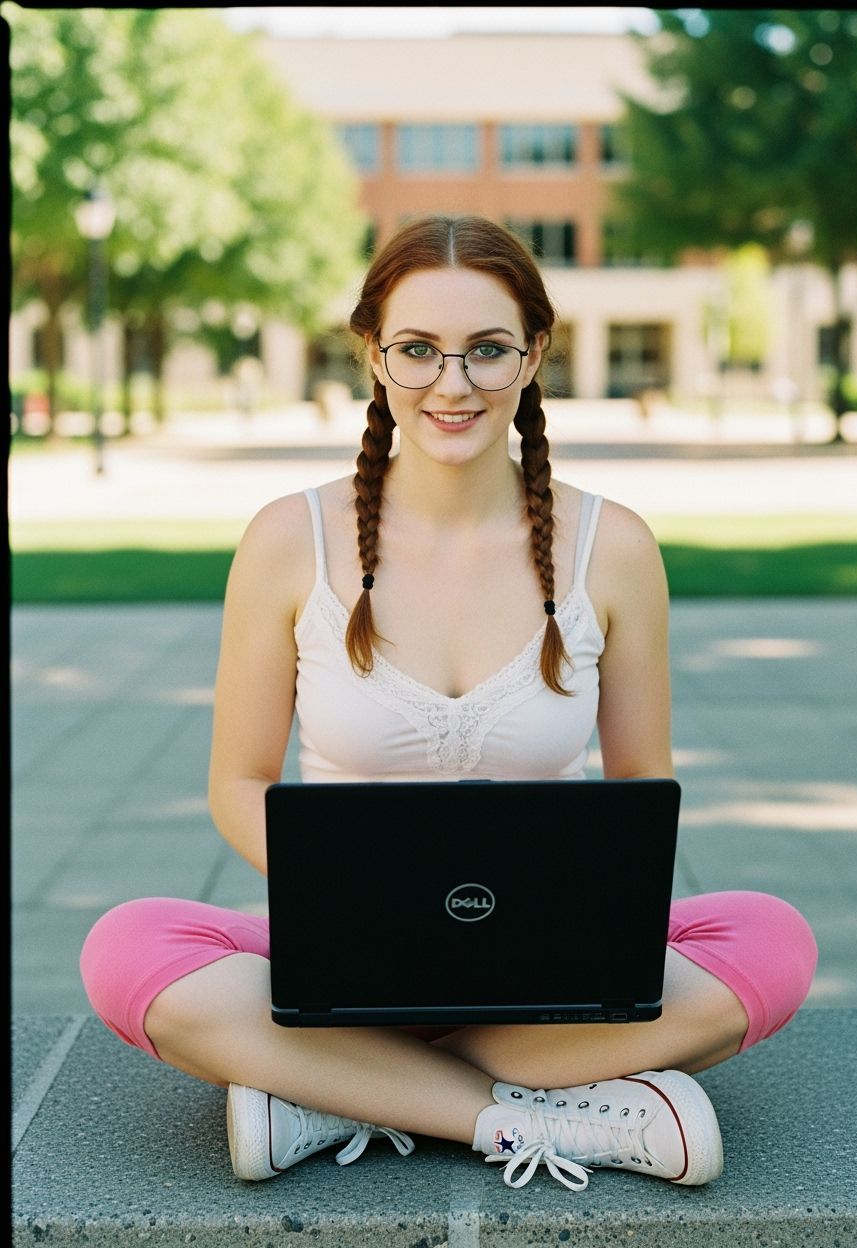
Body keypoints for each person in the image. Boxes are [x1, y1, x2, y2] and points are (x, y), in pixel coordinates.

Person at [80, 215, 817, 1193]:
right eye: (418, 349)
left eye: (486, 349)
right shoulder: (286, 540)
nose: (451, 382)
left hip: (546, 969)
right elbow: (236, 779)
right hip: (340, 960)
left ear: (533, 353)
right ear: (371, 354)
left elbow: (642, 785)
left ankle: (320, 1088)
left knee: (773, 939)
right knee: (125, 946)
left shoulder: (616, 548)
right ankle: (524, 1116)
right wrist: (359, 887)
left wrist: (589, 904)